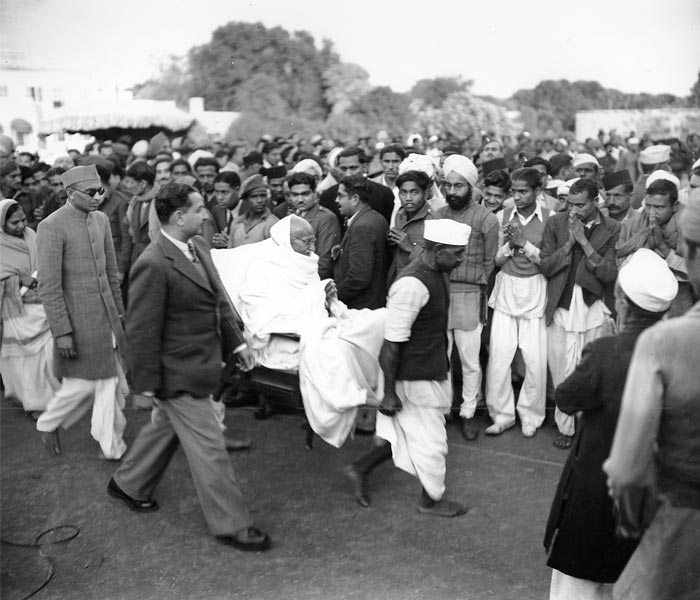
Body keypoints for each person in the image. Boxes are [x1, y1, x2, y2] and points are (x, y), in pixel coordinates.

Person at [109, 182, 270, 552]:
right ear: (179, 217)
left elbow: (219, 301)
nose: (205, 214)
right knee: (210, 448)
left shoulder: (196, 246)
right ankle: (233, 524)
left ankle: (128, 483)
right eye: (199, 209)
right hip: (177, 374)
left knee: (164, 430)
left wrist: (239, 344)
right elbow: (141, 332)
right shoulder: (151, 264)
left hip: (200, 365)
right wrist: (145, 388)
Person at [544, 248, 678, 600]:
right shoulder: (679, 352)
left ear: (621, 299)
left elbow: (566, 398)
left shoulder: (606, 351)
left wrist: (604, 343)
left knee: (577, 580)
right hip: (651, 493)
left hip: (596, 485)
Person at [213, 215, 386, 447]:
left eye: (313, 240)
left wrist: (325, 294)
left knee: (375, 322)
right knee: (337, 347)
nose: (312, 248)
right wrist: (317, 295)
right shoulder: (263, 267)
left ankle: (369, 394)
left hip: (310, 324)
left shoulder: (304, 261)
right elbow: (263, 316)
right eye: (306, 242)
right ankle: (352, 397)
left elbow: (310, 299)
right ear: (287, 241)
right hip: (277, 339)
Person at [603, 189, 700, 600]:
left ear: (692, 253)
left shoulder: (665, 343)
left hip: (683, 528)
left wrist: (629, 519)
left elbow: (626, 471)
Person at [345, 220, 471, 517]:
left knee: (408, 434)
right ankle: (431, 500)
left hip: (431, 369)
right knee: (432, 443)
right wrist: (389, 394)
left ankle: (359, 468)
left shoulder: (437, 271)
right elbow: (391, 344)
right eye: (457, 254)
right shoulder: (411, 285)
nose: (461, 259)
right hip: (413, 377)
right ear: (438, 250)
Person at [35, 165, 128, 459]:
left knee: (105, 381)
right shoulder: (51, 226)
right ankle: (53, 424)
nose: (98, 197)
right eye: (91, 192)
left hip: (107, 318)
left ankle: (108, 443)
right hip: (79, 320)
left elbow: (111, 274)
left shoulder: (100, 220)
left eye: (100, 191)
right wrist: (62, 331)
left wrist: (120, 315)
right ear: (70, 194)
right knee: (91, 382)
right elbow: (48, 286)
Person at [540, 178, 620, 450]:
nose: (573, 210)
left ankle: (588, 428)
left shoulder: (612, 228)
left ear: (595, 201)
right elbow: (546, 267)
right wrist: (568, 244)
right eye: (570, 204)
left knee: (590, 372)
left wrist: (584, 242)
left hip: (592, 308)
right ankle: (565, 426)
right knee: (561, 370)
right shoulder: (555, 223)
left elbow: (608, 273)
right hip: (560, 306)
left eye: (580, 205)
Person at [485, 168, 553, 438]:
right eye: (514, 191)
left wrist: (523, 243)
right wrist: (510, 247)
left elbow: (548, 261)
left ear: (538, 192)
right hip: (507, 290)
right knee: (500, 358)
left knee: (534, 360)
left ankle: (531, 415)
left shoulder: (550, 219)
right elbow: (496, 261)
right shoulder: (502, 215)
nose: (517, 196)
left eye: (523, 191)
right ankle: (501, 415)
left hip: (535, 290)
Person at [437, 154, 499, 441]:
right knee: (442, 357)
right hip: (441, 294)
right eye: (448, 185)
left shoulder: (486, 219)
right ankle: (444, 409)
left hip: (470, 295)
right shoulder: (438, 215)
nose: (452, 192)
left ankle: (468, 413)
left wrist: (475, 286)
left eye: (458, 186)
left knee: (470, 360)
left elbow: (489, 263)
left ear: (471, 187)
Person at [0, 200, 59, 416]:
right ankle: (34, 404)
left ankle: (54, 400)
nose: (21, 225)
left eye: (24, 220)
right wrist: (17, 280)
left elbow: (45, 261)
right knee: (24, 360)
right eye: (15, 222)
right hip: (15, 311)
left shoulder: (32, 235)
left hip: (41, 305)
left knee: (47, 355)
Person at [616, 176, 691, 317]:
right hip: (638, 302)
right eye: (648, 206)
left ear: (674, 206)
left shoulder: (689, 229)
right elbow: (620, 262)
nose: (651, 213)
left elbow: (692, 272)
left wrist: (663, 247)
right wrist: (645, 249)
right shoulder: (632, 225)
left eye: (659, 207)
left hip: (676, 303)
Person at [332, 174, 390, 309]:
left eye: (340, 196)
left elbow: (358, 278)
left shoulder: (362, 226)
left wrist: (333, 297)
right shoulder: (374, 217)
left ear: (355, 199)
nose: (336, 200)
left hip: (362, 307)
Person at [288, 171, 339, 279]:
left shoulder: (325, 218)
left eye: (305, 194)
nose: (300, 200)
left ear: (315, 194)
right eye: (295, 195)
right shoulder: (293, 216)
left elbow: (324, 263)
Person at [387, 169, 436, 282]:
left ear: (425, 194)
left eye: (414, 193)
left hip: (419, 283)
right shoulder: (400, 214)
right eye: (403, 192)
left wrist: (410, 247)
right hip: (398, 279)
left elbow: (435, 261)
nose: (408, 198)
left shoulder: (433, 220)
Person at [228, 174, 278, 248]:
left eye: (263, 196)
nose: (260, 200)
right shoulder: (237, 223)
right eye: (254, 196)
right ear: (246, 199)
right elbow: (230, 250)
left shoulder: (272, 223)